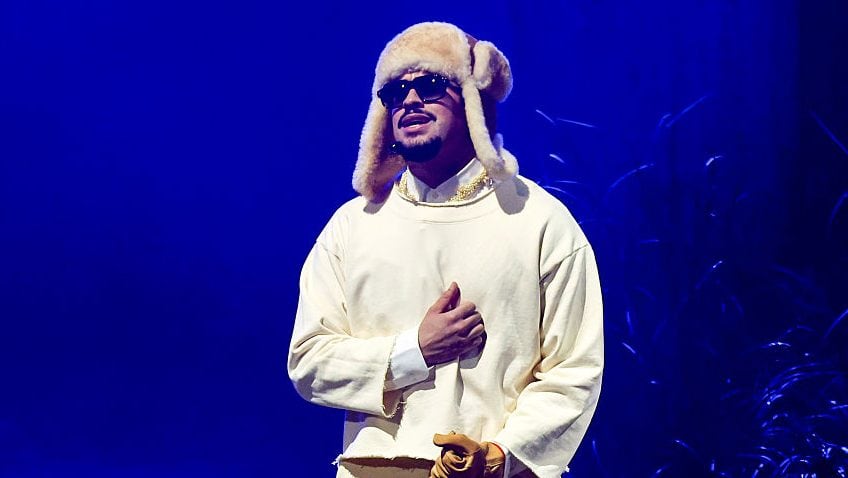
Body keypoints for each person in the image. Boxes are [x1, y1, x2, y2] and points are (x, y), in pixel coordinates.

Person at [288, 22, 603, 478]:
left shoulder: (539, 221)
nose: (410, 101)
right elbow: (309, 361)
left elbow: (573, 373)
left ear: (472, 100)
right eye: (395, 93)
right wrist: (413, 352)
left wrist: (499, 455)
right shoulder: (352, 228)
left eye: (431, 85)